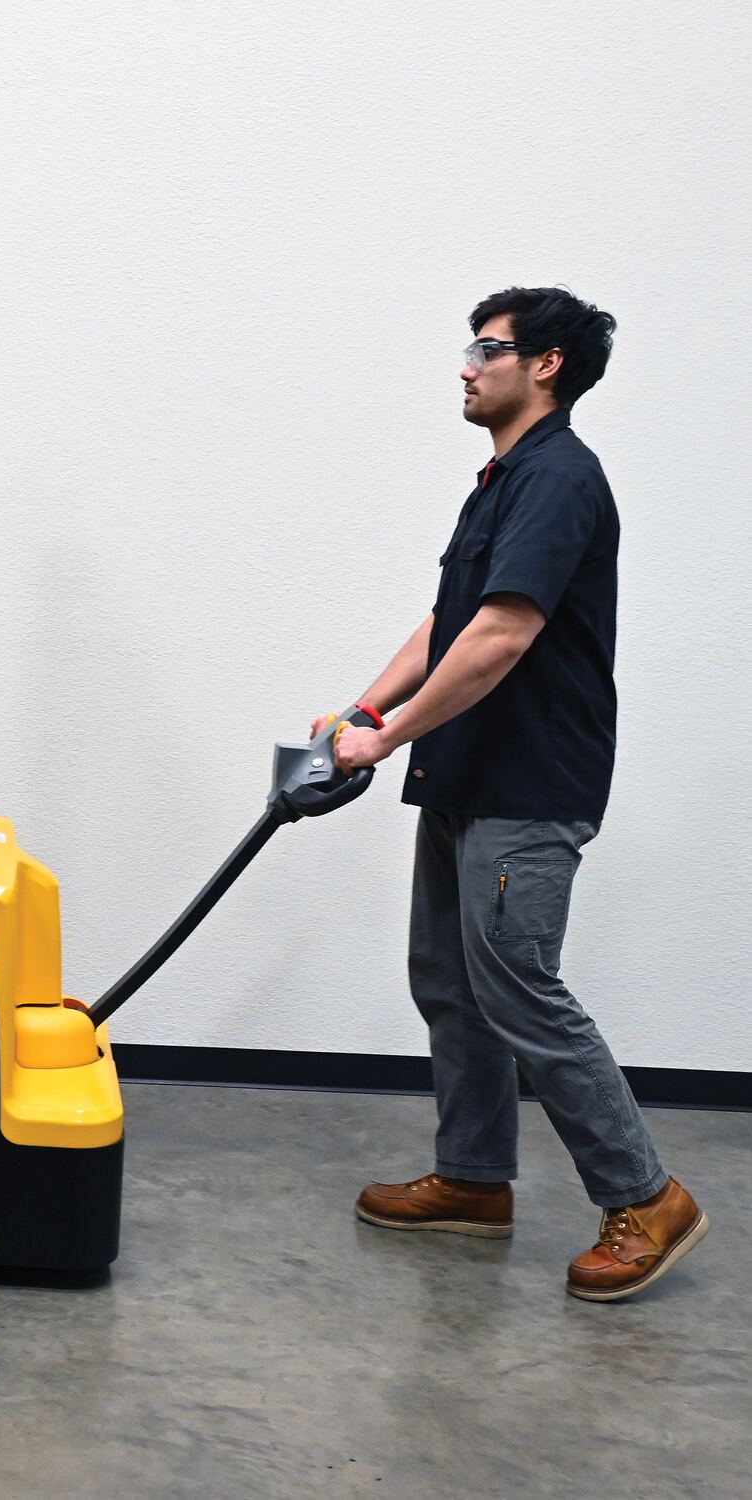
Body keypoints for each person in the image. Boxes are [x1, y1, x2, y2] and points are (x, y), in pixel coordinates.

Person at [322, 286, 707, 1301]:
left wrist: (387, 736)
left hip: (528, 783)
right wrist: (362, 710)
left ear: (544, 366)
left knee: (520, 988)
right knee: (450, 982)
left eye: (485, 349)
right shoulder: (500, 480)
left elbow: (502, 635)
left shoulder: (560, 478)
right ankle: (474, 1176)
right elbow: (450, 620)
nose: (465, 366)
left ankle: (647, 1198)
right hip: (469, 769)